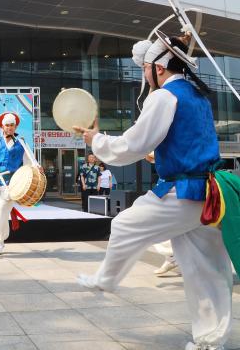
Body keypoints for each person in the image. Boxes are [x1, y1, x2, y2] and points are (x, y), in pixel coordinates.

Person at [74, 32, 233, 350]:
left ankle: (106, 279)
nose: (144, 73)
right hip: (209, 191)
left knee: (122, 225)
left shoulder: (163, 96)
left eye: (145, 66)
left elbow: (134, 143)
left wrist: (97, 141)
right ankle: (210, 340)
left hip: (184, 192)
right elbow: (184, 142)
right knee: (208, 269)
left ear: (158, 68)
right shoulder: (195, 95)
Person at [0, 112, 33, 255]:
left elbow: (29, 162)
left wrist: (35, 169)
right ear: (2, 127)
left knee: (2, 210)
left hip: (13, 184)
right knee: (0, 213)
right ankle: (0, 244)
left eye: (12, 125)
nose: (9, 128)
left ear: (15, 127)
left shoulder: (21, 143)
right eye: (7, 125)